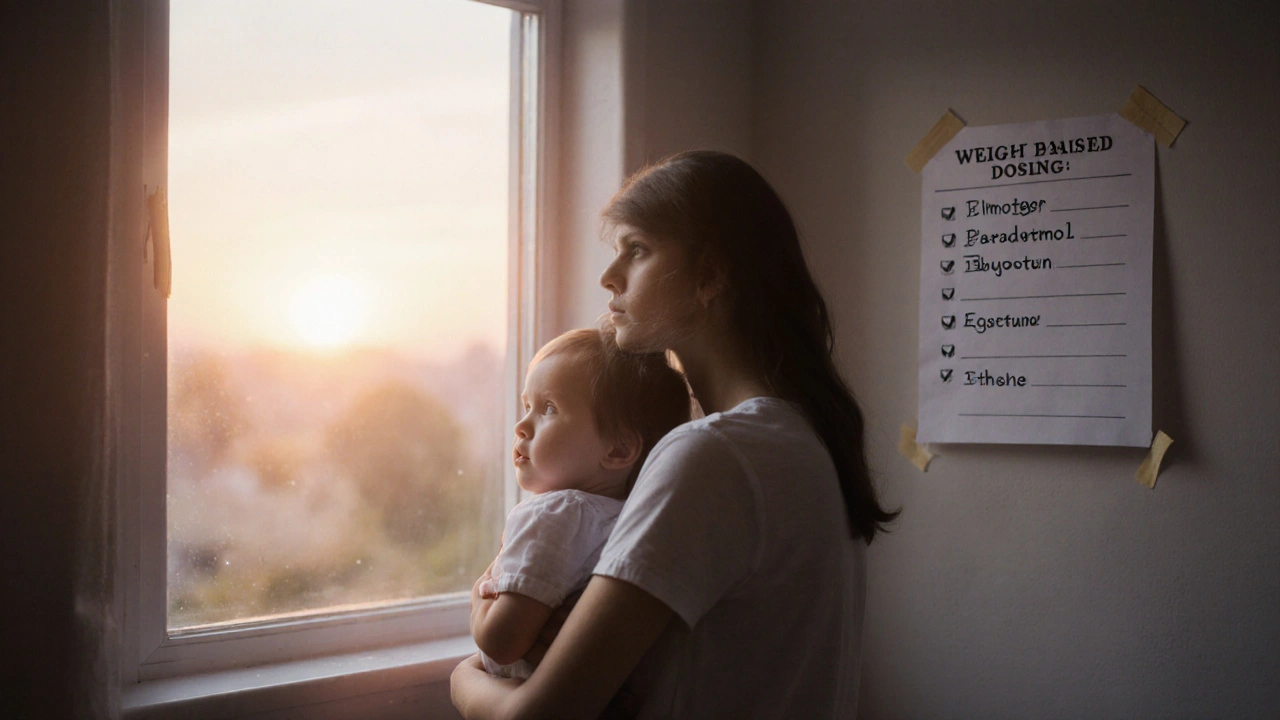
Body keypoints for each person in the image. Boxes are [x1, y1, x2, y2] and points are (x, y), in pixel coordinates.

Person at [451, 150, 898, 719]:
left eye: (637, 250)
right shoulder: (801, 435)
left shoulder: (714, 454)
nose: (608, 276)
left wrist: (463, 676)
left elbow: (535, 718)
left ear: (711, 274)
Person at [471, 327, 690, 680]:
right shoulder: (633, 519)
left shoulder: (552, 514)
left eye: (549, 408)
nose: (522, 426)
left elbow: (502, 640)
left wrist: (478, 595)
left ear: (617, 450)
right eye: (528, 406)